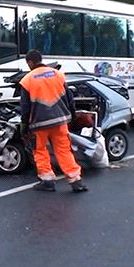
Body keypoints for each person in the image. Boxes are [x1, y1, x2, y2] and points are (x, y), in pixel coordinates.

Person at [19, 50, 88, 193]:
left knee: (40, 151)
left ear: (30, 62)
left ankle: (48, 181)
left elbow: (25, 107)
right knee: (64, 150)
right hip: (60, 121)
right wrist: (72, 116)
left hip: (39, 124)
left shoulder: (27, 80)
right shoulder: (58, 75)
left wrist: (24, 125)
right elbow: (69, 99)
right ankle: (76, 181)